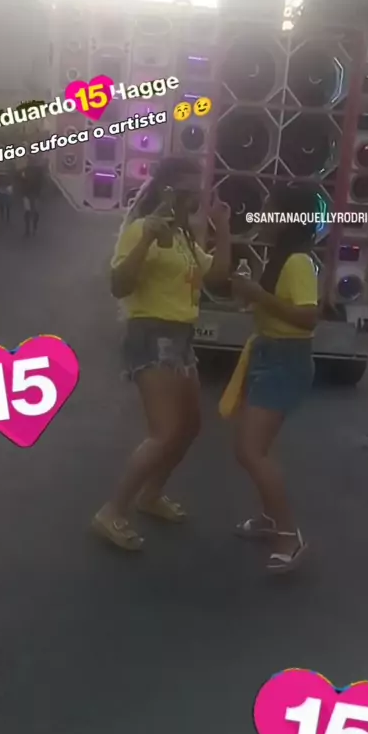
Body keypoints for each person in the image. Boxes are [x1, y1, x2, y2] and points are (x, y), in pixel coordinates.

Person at [93, 156, 232, 551]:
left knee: (190, 427)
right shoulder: (143, 227)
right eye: (189, 189)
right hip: (152, 335)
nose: (197, 196)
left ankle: (151, 495)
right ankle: (111, 512)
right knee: (166, 431)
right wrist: (147, 239)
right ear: (168, 189)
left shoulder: (184, 236)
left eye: (198, 188)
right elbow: (119, 285)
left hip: (181, 337)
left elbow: (217, 277)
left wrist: (223, 229)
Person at [225, 185, 319, 573]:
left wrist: (258, 296)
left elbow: (309, 318)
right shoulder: (279, 258)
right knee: (253, 449)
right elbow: (271, 307)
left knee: (251, 451)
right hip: (269, 354)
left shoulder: (298, 262)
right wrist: (249, 292)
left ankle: (289, 536)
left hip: (285, 361)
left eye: (269, 208)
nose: (261, 215)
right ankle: (269, 519)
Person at [19, 156, 44, 236]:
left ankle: (32, 228)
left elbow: (41, 182)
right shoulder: (25, 170)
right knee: (29, 211)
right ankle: (29, 229)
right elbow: (21, 180)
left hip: (32, 193)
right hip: (29, 193)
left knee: (32, 211)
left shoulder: (37, 170)